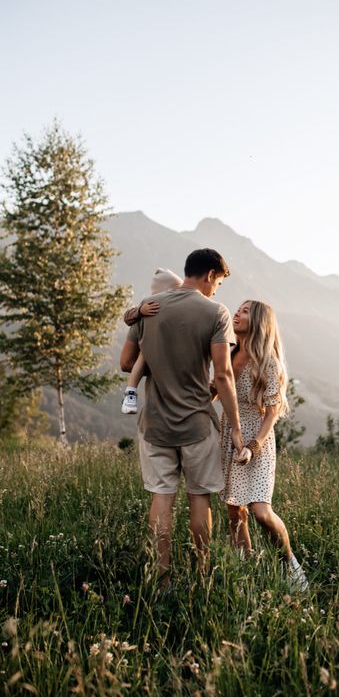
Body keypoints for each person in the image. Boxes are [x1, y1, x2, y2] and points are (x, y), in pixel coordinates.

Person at [120, 249, 243, 584]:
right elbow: (223, 375)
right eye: (217, 281)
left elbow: (126, 363)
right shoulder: (215, 312)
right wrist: (233, 426)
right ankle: (202, 575)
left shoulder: (149, 307)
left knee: (162, 497)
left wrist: (160, 364)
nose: (216, 289)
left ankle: (161, 578)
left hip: (156, 423)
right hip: (197, 425)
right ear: (209, 275)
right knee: (199, 497)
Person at [220, 300, 309, 591]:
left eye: (245, 311)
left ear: (259, 321)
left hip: (258, 439)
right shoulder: (228, 353)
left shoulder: (268, 362)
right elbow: (215, 389)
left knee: (261, 512)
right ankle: (248, 572)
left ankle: (289, 564)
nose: (237, 313)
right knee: (235, 512)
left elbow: (272, 412)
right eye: (239, 308)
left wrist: (254, 445)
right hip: (229, 437)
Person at [121, 268, 183, 414]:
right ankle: (130, 392)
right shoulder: (149, 306)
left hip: (167, 353)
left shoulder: (176, 309)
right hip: (150, 349)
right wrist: (140, 311)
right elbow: (127, 317)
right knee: (143, 357)